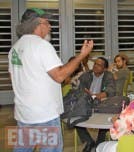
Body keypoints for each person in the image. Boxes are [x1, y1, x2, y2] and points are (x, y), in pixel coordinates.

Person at [8, 8, 93, 151]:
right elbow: (60, 76)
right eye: (47, 23)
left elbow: (14, 79)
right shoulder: (42, 46)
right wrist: (81, 56)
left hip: (24, 114)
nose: (50, 27)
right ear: (39, 24)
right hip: (44, 114)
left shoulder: (15, 49)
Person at [75, 57, 116, 152]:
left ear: (105, 68)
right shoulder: (86, 75)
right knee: (75, 119)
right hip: (86, 101)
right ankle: (88, 141)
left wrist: (96, 95)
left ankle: (99, 143)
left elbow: (111, 90)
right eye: (95, 64)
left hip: (102, 102)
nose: (95, 66)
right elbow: (79, 90)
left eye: (99, 65)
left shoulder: (108, 75)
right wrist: (85, 94)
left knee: (106, 121)